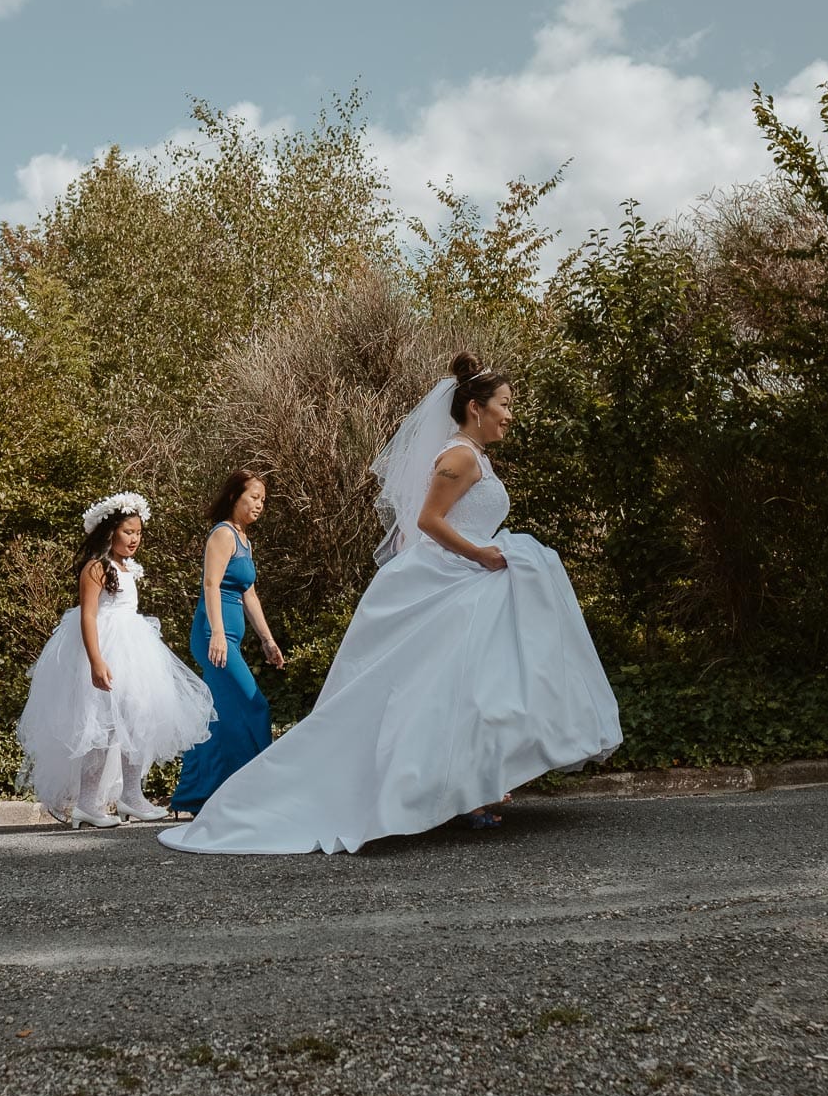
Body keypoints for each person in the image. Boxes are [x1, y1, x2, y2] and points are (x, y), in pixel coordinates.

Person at [160, 353, 623, 855]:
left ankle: (472, 785)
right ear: (475, 407)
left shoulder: (474, 455)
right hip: (458, 574)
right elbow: (429, 520)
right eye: (504, 405)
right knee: (441, 689)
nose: (510, 414)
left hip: (468, 577)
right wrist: (483, 555)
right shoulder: (459, 457)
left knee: (471, 689)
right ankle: (447, 789)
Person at [16, 491, 214, 828]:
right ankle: (88, 804)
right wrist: (96, 660)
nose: (135, 538)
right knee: (102, 726)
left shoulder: (128, 568)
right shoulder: (97, 568)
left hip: (136, 650)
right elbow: (89, 617)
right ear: (110, 532)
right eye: (128, 531)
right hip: (107, 649)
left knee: (137, 719)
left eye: (138, 532)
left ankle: (131, 796)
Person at [169, 471, 284, 815]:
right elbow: (210, 585)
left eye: (263, 499)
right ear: (235, 496)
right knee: (253, 704)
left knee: (215, 717)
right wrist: (218, 633)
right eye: (254, 497)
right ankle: (257, 790)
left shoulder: (244, 540)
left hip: (229, 636)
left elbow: (249, 594)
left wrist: (268, 640)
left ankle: (198, 796)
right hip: (213, 636)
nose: (259, 504)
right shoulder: (222, 534)